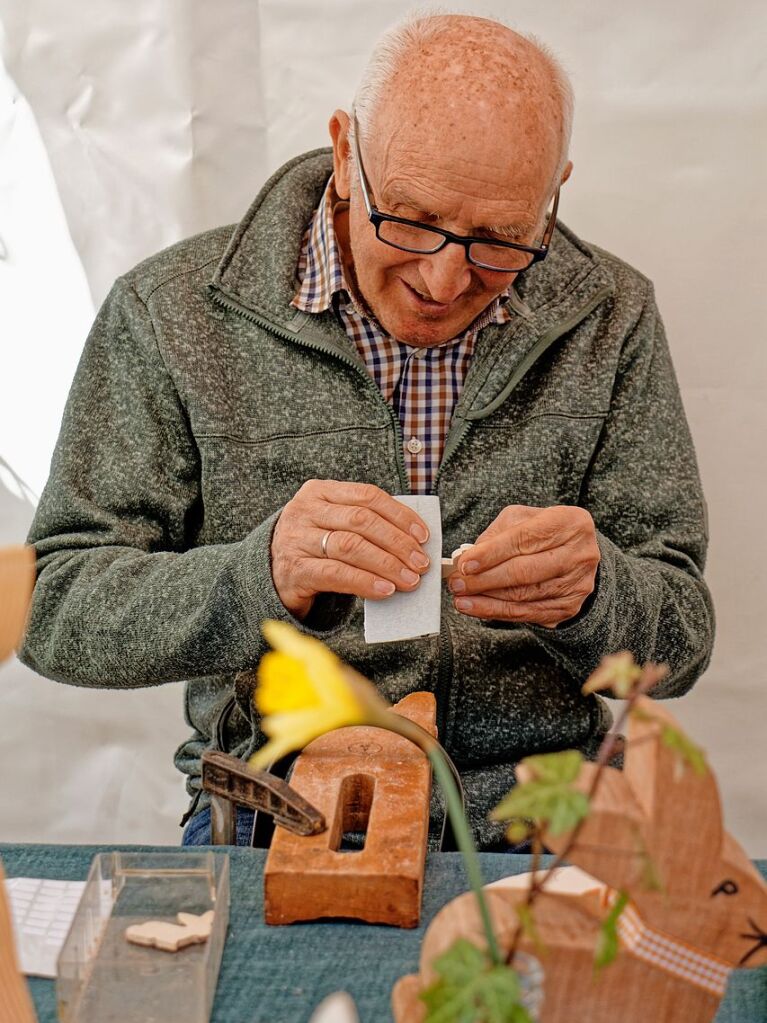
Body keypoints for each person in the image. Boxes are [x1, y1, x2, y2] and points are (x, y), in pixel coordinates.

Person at [20, 12, 713, 849]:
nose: (443, 277)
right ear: (345, 153)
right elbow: (53, 611)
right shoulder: (169, 314)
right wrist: (259, 576)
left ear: (553, 190)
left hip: (548, 816)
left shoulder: (610, 315)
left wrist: (598, 593)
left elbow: (682, 633)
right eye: (412, 221)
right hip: (275, 813)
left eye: (499, 239)